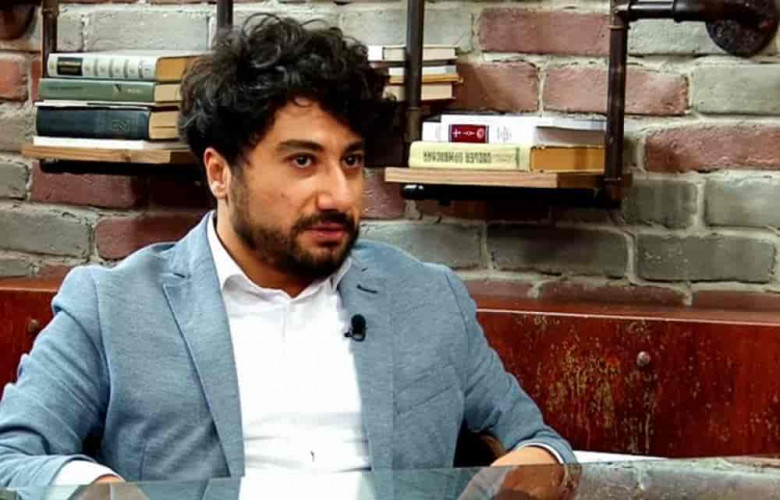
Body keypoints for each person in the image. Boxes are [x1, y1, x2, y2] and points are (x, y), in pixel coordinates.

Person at [0, 14, 574, 488]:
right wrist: (102, 490)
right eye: (303, 161)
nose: (339, 195)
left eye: (351, 161)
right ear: (220, 173)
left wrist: (527, 475)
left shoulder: (427, 297)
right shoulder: (113, 306)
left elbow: (540, 445)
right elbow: (11, 458)